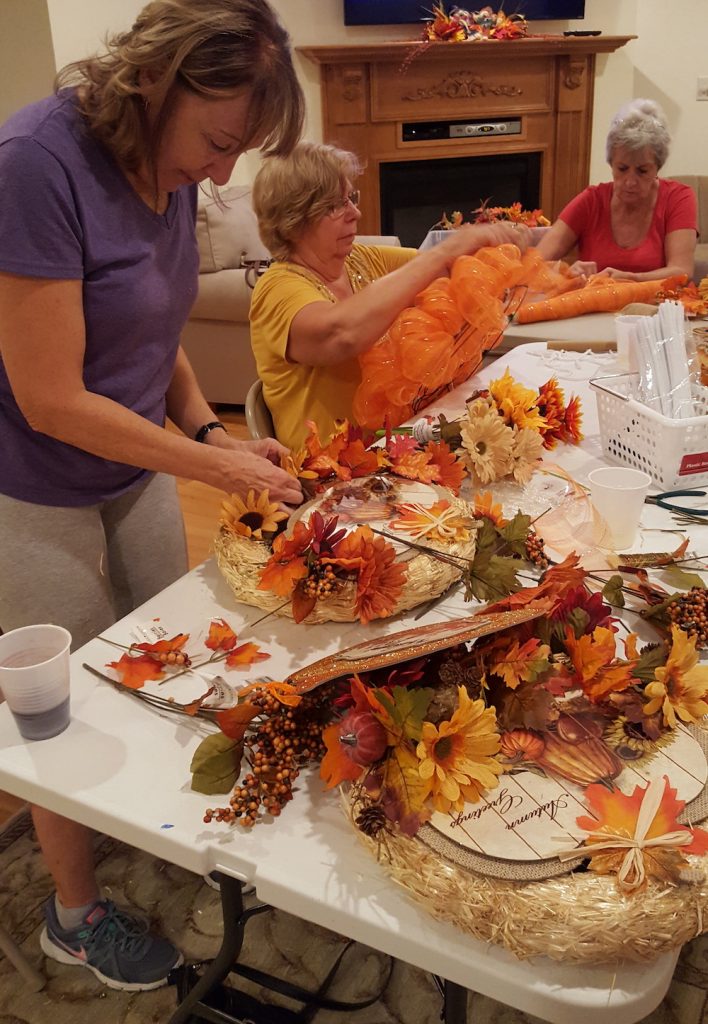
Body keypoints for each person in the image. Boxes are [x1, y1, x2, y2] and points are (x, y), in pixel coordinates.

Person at [0, 0, 304, 991]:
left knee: (153, 663)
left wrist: (211, 429)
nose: (222, 174)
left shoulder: (169, 168)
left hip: (133, 464)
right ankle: (72, 915)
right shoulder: (34, 166)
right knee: (61, 705)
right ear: (155, 81)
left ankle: (133, 827)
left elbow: (151, 322)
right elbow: (50, 397)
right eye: (219, 144)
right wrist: (215, 468)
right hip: (30, 478)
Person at [250, 141, 530, 450]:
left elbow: (444, 268)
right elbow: (340, 334)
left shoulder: (361, 260)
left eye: (351, 198)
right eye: (335, 205)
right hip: (332, 476)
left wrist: (509, 249)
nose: (355, 212)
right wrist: (448, 249)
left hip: (400, 446)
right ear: (293, 221)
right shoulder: (277, 288)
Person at [537, 99, 697, 282]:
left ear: (658, 168)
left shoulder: (678, 198)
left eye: (642, 171)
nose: (630, 181)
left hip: (654, 307)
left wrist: (630, 278)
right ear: (611, 163)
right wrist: (565, 273)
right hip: (595, 307)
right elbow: (536, 262)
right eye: (622, 168)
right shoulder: (591, 201)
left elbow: (682, 271)